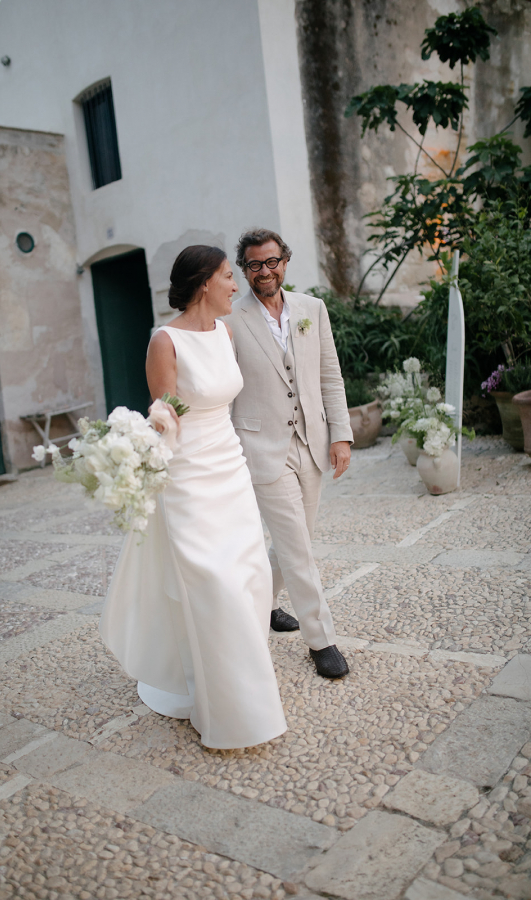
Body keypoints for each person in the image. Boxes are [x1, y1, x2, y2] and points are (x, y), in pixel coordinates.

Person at [99, 245, 287, 750]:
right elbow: (165, 415)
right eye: (230, 276)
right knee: (214, 585)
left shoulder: (225, 333)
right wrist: (140, 457)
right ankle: (229, 707)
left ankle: (238, 691)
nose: (236, 284)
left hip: (231, 471)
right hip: (188, 481)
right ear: (205, 282)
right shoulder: (165, 340)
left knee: (251, 579)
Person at [226, 228, 353, 679]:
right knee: (298, 548)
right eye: (255, 264)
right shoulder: (230, 319)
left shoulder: (311, 310)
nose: (265, 271)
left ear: (285, 262)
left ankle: (261, 607)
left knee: (296, 540)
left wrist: (341, 435)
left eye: (272, 261)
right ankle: (322, 640)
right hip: (261, 447)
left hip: (312, 442)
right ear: (244, 269)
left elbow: (330, 376)